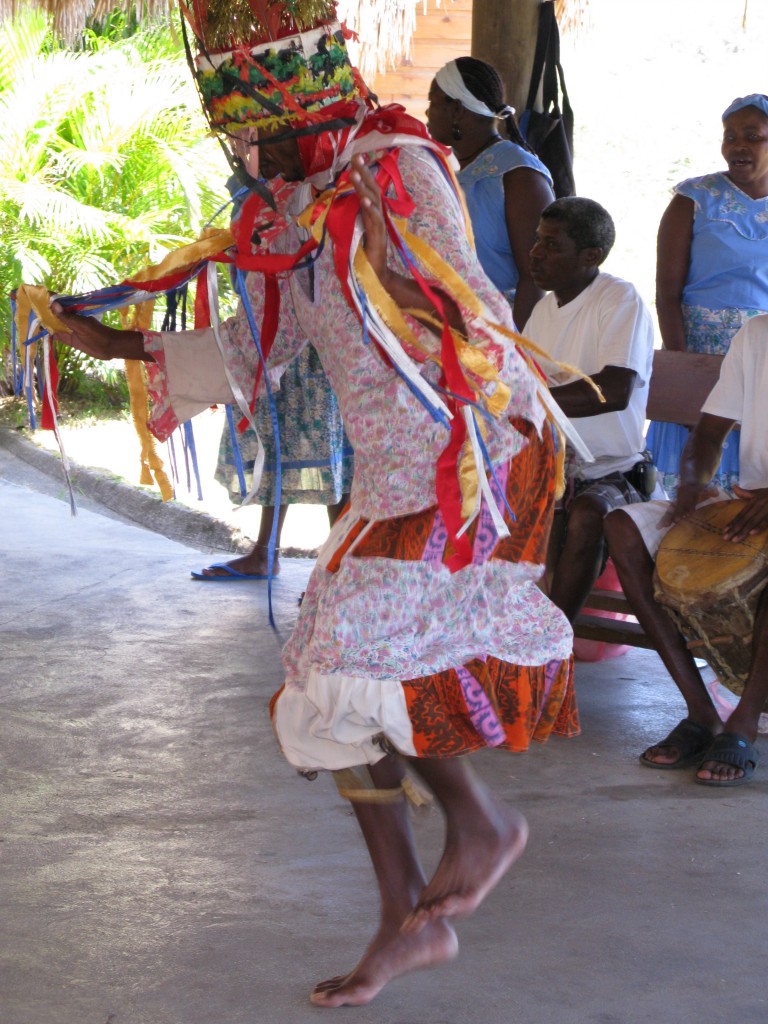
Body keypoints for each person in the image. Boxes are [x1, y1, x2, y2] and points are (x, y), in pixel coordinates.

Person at [45, 1, 578, 1008]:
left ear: (291, 89)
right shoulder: (295, 201)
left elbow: (475, 306)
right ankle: (405, 913)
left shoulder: (397, 167)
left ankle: (479, 827)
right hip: (390, 473)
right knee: (315, 694)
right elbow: (264, 344)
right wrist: (114, 345)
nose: (246, 146)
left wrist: (498, 439)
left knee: (343, 663)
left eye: (253, 123)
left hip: (465, 453)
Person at [605, 314, 768, 787]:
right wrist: (694, 486)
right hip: (747, 503)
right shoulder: (757, 334)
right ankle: (701, 712)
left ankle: (743, 722)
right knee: (623, 527)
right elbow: (710, 432)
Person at [196, 174, 353, 580]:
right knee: (272, 441)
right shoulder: (251, 191)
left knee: (333, 454)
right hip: (266, 337)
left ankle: (339, 570)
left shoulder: (329, 182)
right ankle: (265, 551)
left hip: (318, 339)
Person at [523, 197, 656, 624]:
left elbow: (614, 390)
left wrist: (528, 400)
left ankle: (552, 639)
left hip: (612, 469)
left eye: (551, 244)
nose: (536, 252)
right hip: (550, 465)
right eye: (537, 241)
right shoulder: (543, 310)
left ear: (590, 255)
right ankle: (501, 629)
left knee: (587, 515)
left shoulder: (619, 300)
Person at [647, 93, 768, 496]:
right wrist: (683, 370)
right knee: (694, 492)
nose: (738, 145)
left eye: (753, 136)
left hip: (760, 359)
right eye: (730, 136)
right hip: (699, 351)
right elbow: (667, 294)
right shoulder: (694, 199)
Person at [426, 56, 555, 329]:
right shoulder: (450, 169)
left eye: (433, 102)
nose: (427, 113)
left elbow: (534, 278)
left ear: (457, 110)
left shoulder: (519, 176)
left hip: (498, 335)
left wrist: (514, 353)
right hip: (447, 330)